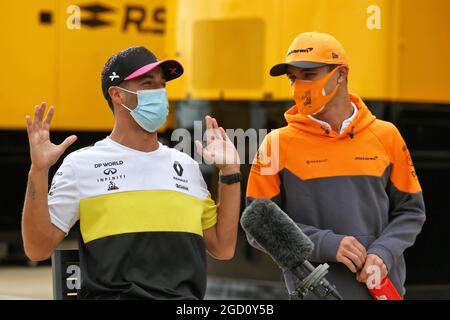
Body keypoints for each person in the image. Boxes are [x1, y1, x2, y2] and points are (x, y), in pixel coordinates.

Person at [22, 46, 242, 299]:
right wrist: (38, 171)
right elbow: (37, 249)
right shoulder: (80, 165)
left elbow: (223, 247)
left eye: (162, 85)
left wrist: (230, 172)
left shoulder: (187, 166)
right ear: (117, 94)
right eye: (148, 84)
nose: (159, 93)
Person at [245, 32, 426, 299]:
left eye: (309, 75)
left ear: (340, 74)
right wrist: (328, 244)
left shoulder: (386, 136)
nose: (298, 86)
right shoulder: (276, 144)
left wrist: (383, 253)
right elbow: (258, 229)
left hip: (382, 293)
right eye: (293, 78)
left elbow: (411, 212)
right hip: (316, 295)